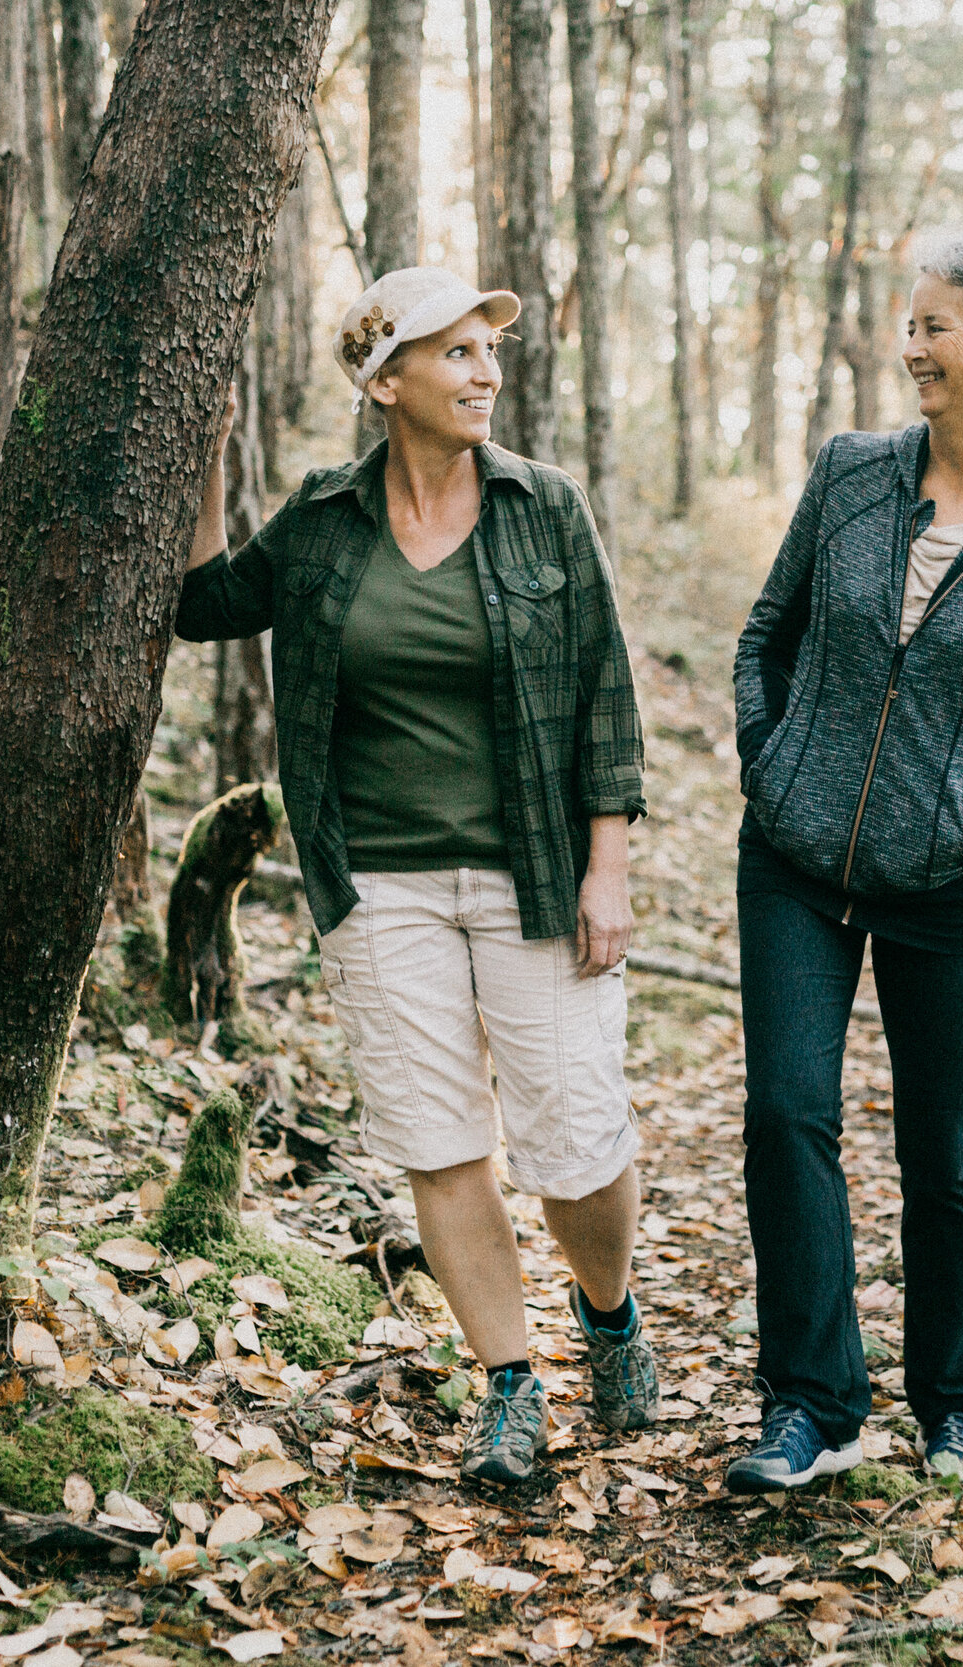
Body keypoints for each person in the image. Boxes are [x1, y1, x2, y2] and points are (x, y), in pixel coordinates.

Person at [175, 267, 655, 1485]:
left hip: (537, 875)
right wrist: (201, 460)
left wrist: (610, 865)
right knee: (441, 1141)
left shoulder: (546, 508)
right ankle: (508, 1385)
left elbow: (606, 691)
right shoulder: (326, 518)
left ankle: (608, 1312)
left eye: (488, 352)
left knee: (574, 1139)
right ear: (385, 381)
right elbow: (206, 602)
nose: (484, 371)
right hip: (378, 882)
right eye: (453, 352)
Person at [724, 226, 963, 1492]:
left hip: (951, 884)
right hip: (793, 857)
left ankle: (953, 1406)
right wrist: (769, 760)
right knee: (787, 1115)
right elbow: (763, 637)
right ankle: (811, 1403)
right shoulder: (848, 473)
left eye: (935, 325)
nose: (910, 347)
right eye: (909, 323)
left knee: (941, 1155)